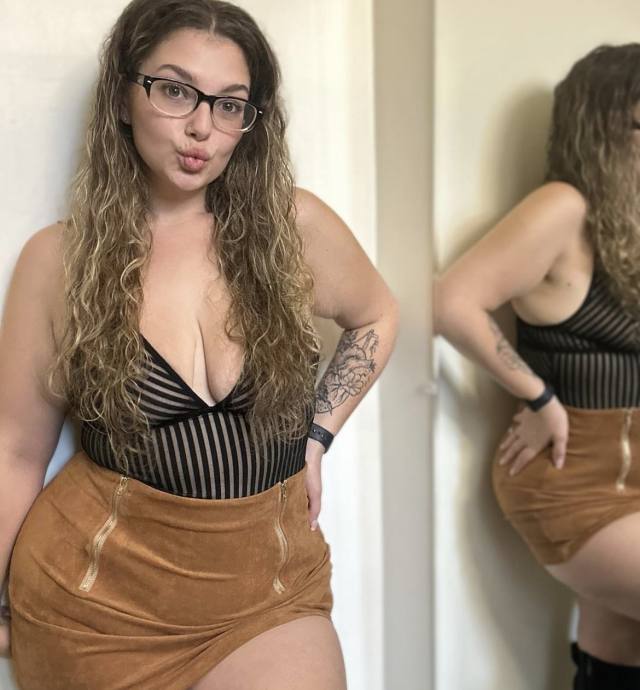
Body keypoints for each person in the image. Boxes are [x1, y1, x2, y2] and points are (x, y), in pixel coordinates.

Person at [0, 1, 398, 688]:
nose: (202, 128)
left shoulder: (293, 228)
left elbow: (377, 315)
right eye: (175, 90)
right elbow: (15, 450)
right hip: (98, 605)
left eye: (230, 105)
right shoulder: (60, 261)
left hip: (267, 587)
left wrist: (318, 435)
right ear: (123, 97)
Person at [433, 44, 640, 689]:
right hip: (571, 475)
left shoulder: (625, 228)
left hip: (632, 470)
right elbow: (451, 301)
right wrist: (540, 396)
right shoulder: (564, 207)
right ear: (605, 126)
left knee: (621, 644)